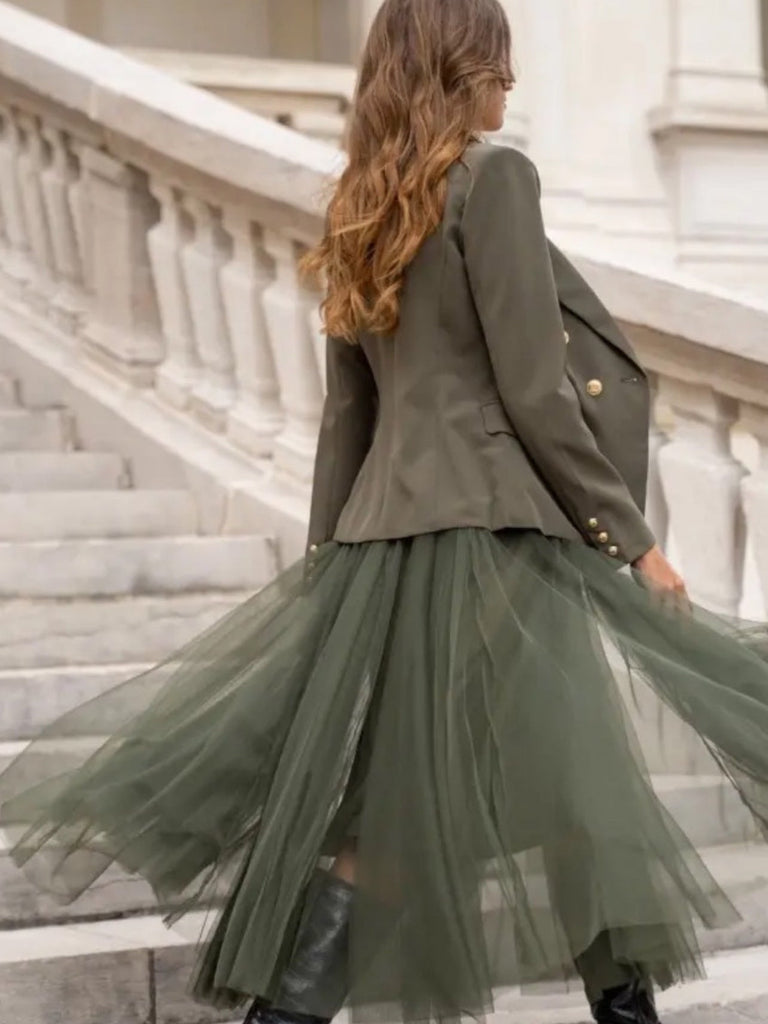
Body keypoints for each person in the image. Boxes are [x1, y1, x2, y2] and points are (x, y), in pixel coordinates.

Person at [2, 2, 768, 1024]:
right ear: (462, 67)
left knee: (503, 803)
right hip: (499, 543)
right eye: (498, 60)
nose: (512, 83)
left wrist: (330, 562)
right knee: (544, 801)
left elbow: (346, 416)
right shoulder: (495, 180)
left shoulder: (364, 204)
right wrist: (631, 541)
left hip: (390, 548)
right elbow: (536, 389)